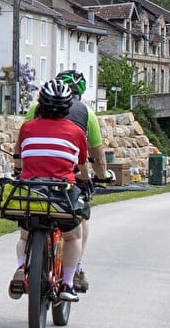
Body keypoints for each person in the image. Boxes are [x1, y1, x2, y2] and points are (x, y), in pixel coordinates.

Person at [23, 68, 111, 293]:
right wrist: (101, 176)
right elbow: (96, 155)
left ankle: (23, 267)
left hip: (33, 180)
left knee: (26, 226)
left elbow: (23, 147)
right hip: (66, 180)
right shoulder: (86, 114)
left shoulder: (32, 113)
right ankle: (75, 272)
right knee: (80, 219)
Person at [9, 78, 89, 301]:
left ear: (40, 105)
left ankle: (22, 267)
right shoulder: (76, 132)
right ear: (67, 108)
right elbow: (82, 167)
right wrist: (86, 179)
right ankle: (68, 284)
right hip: (61, 195)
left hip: (31, 192)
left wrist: (20, 171)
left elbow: (19, 159)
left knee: (25, 235)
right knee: (74, 236)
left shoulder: (27, 128)